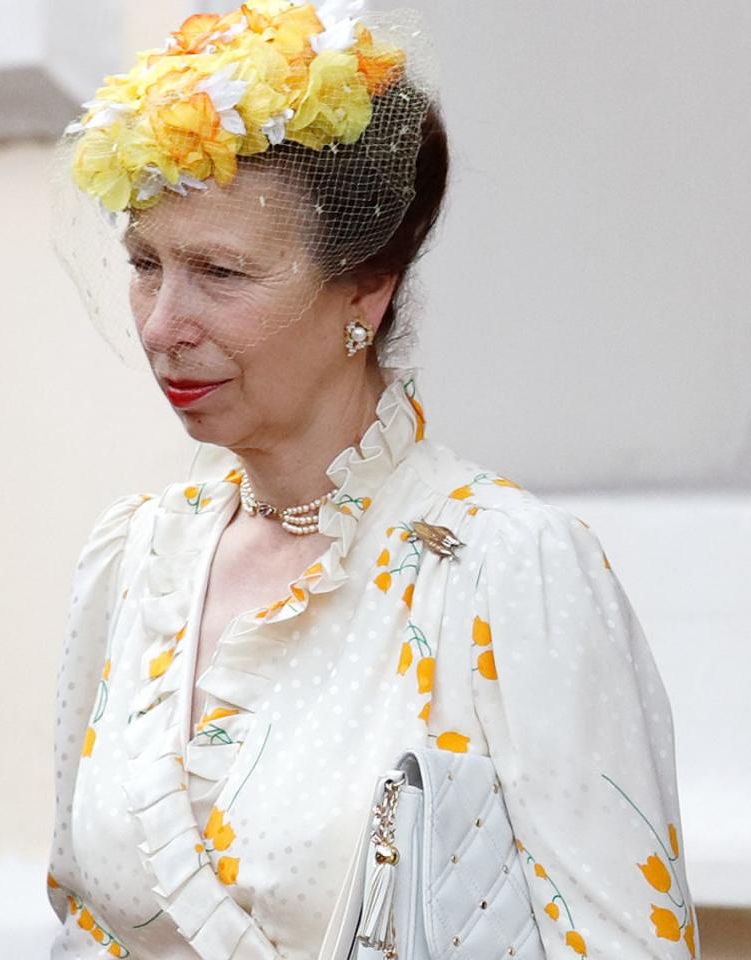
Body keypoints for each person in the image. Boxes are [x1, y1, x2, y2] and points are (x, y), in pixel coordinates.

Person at [46, 3, 700, 958]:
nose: (161, 324)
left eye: (221, 273)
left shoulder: (503, 568)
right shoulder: (136, 558)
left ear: (367, 288)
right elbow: (82, 920)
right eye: (146, 265)